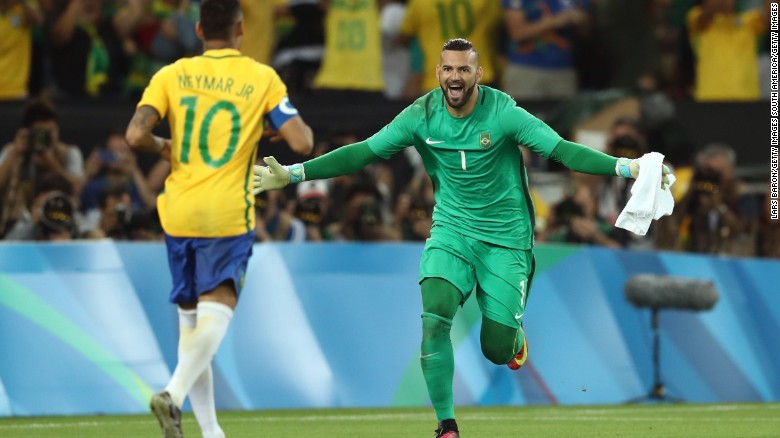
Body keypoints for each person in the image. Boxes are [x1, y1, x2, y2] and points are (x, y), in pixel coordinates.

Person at [253, 38, 670, 438]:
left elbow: (561, 150)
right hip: (451, 229)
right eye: (448, 69)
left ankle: (513, 341)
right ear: (438, 72)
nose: (454, 77)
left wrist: (626, 168)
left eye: (463, 69)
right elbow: (364, 151)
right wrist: (294, 174)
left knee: (496, 348)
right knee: (434, 316)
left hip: (506, 239)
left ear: (478, 74)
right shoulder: (421, 114)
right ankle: (447, 426)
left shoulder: (504, 112)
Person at [124, 0, 313, 436]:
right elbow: (301, 142)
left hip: (178, 212)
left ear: (198, 30)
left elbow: (135, 134)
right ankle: (171, 392)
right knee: (218, 308)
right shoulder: (261, 78)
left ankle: (210, 432)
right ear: (241, 29)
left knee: (192, 323)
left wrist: (164, 146)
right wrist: (265, 125)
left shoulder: (171, 75)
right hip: (227, 212)